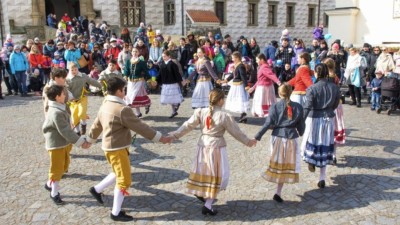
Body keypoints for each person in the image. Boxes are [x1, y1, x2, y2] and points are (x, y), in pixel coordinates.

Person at [86, 77, 172, 221]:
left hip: (110, 147)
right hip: (117, 148)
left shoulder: (105, 104)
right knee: (124, 180)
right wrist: (160, 138)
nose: (125, 92)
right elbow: (140, 126)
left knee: (117, 172)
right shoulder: (122, 109)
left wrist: (90, 139)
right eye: (124, 90)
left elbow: (96, 124)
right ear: (119, 91)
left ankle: (96, 190)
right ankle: (115, 213)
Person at [169, 89, 257, 215]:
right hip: (216, 148)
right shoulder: (224, 116)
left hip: (203, 146)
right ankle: (208, 204)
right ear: (221, 100)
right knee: (217, 175)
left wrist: (175, 135)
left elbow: (187, 125)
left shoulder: (201, 111)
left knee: (204, 172)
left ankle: (202, 194)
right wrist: (248, 141)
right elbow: (236, 132)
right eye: (224, 99)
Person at [254, 84, 305, 202]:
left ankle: (278, 192)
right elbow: (301, 127)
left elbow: (267, 124)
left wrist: (257, 136)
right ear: (290, 92)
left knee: (279, 165)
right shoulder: (298, 107)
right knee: (285, 166)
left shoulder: (275, 106)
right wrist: (301, 132)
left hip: (277, 138)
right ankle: (278, 192)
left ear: (279, 93)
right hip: (292, 138)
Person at [42, 85, 90, 205]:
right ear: (57, 97)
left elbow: (67, 126)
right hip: (56, 144)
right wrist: (81, 142)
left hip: (63, 143)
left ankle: (49, 184)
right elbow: (65, 131)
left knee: (64, 165)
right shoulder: (56, 112)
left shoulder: (61, 107)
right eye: (63, 94)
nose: (65, 95)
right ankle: (54, 193)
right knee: (57, 168)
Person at [302, 63, 341, 189]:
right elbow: (335, 104)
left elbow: (307, 107)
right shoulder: (334, 87)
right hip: (329, 119)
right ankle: (322, 178)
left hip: (315, 118)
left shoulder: (312, 89)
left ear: (316, 73)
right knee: (325, 145)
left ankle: (311, 161)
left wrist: (300, 120)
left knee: (313, 142)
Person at [66, 63, 102, 135]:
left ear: (78, 69)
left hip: (82, 98)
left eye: (75, 69)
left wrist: (100, 85)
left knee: (81, 113)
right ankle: (77, 132)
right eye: (72, 70)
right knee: (74, 116)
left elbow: (92, 81)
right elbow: (67, 90)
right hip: (73, 101)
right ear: (69, 70)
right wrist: (70, 97)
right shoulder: (67, 79)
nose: (74, 71)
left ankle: (83, 128)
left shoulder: (83, 76)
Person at [324, 58, 345, 165]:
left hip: (328, 106)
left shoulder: (325, 78)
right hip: (337, 105)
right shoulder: (336, 76)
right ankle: (333, 154)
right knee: (335, 129)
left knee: (327, 130)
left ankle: (328, 153)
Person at [222, 51, 250, 123]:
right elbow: (233, 74)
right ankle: (242, 115)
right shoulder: (237, 65)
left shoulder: (241, 66)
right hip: (235, 85)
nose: (232, 59)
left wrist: (246, 86)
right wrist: (226, 80)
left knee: (240, 99)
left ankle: (243, 115)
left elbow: (243, 77)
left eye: (233, 58)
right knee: (235, 99)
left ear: (237, 58)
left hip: (239, 86)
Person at [124, 47, 151, 117]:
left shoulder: (141, 62)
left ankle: (146, 105)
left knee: (135, 96)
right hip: (130, 81)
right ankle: (138, 113)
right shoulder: (128, 61)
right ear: (131, 52)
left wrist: (149, 79)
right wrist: (125, 75)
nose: (134, 53)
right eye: (133, 51)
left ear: (138, 53)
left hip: (139, 81)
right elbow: (126, 70)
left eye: (136, 51)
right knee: (131, 97)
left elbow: (146, 71)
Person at [157, 50, 184, 118]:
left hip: (173, 84)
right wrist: (156, 81)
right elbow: (160, 74)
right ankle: (174, 111)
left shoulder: (172, 64)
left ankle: (176, 106)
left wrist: (180, 82)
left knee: (173, 98)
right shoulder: (162, 65)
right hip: (165, 84)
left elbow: (177, 74)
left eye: (165, 56)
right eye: (163, 56)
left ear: (169, 56)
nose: (164, 58)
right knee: (169, 99)